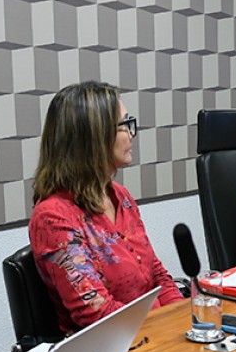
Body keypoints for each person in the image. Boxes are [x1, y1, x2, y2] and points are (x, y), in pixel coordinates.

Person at [29, 81, 183, 334]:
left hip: (156, 331)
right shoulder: (53, 218)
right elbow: (98, 313)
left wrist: (183, 318)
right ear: (93, 138)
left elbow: (156, 274)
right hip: (115, 345)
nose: (131, 133)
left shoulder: (121, 196)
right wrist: (166, 328)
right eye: (124, 125)